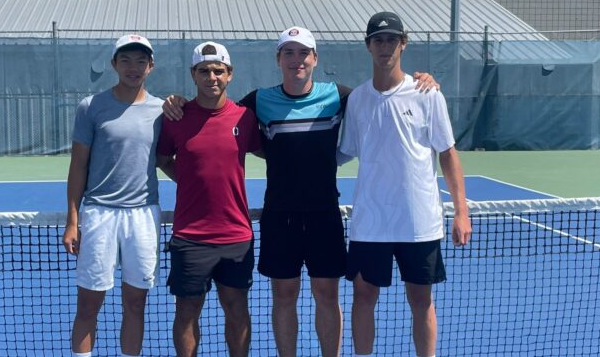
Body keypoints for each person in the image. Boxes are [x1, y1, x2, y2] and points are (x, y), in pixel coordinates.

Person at [163, 27, 439, 356]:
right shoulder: (258, 101)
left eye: (303, 52)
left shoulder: (340, 96)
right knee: (284, 295)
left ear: (315, 58)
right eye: (289, 53)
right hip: (281, 216)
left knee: (326, 294)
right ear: (279, 59)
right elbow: (214, 113)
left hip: (324, 214)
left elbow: (382, 93)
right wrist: (176, 101)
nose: (297, 60)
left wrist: (420, 81)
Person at [339, 12, 472, 357]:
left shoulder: (427, 94)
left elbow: (448, 154)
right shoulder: (357, 100)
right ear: (368, 46)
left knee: (420, 300)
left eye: (392, 40)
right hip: (370, 223)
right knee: (363, 297)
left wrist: (461, 212)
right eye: (379, 40)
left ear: (403, 43)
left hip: (419, 223)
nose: (386, 47)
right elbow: (345, 152)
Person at [63, 34, 171, 357]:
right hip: (98, 215)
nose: (133, 67)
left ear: (150, 66)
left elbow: (169, 161)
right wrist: (73, 220)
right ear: (114, 64)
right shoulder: (91, 107)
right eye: (125, 60)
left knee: (136, 302)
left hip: (143, 216)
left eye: (141, 61)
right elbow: (78, 166)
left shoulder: (163, 111)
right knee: (89, 304)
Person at [156, 42, 262, 357]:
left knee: (237, 308)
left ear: (229, 75)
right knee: (187, 310)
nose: (211, 77)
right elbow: (162, 159)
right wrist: (188, 179)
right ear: (193, 74)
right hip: (190, 237)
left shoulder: (245, 118)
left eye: (218, 70)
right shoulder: (175, 116)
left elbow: (273, 153)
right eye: (204, 70)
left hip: (235, 235)